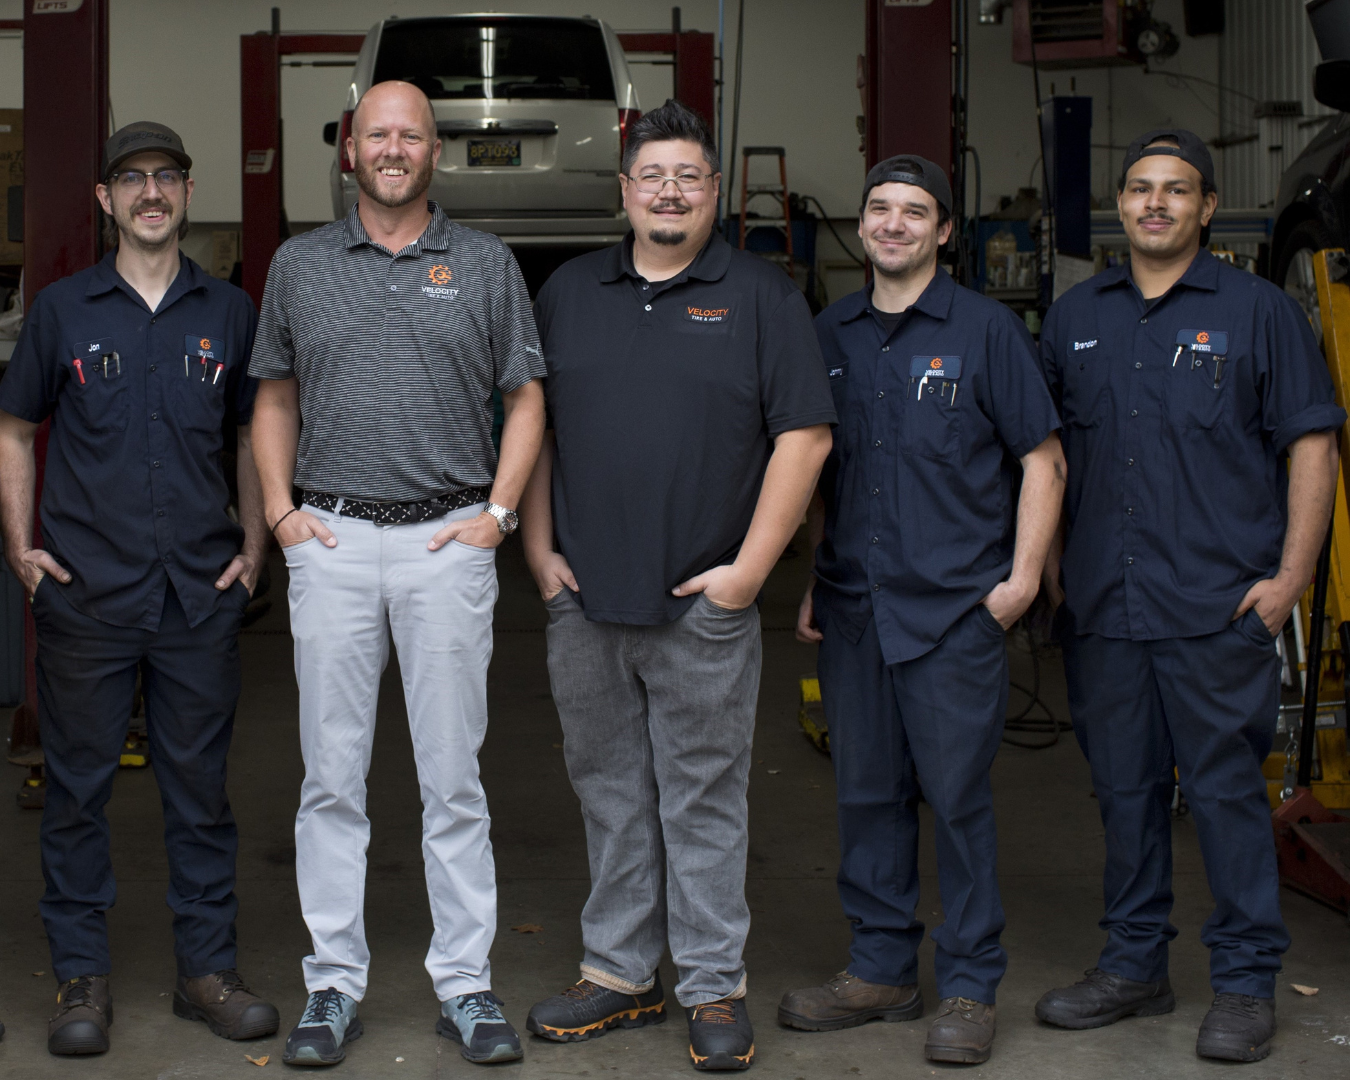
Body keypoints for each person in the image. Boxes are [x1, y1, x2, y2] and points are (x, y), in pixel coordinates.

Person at [519, 99, 835, 1072]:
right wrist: (539, 555)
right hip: (586, 602)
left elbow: (806, 435)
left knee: (702, 799)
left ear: (713, 195)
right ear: (623, 191)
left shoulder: (761, 297)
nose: (668, 191)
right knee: (610, 792)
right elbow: (535, 428)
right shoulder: (568, 293)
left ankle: (709, 984)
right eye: (651, 176)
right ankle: (618, 973)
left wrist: (747, 575)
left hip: (703, 611)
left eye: (688, 178)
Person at [248, 81, 546, 1068]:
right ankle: (332, 985)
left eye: (411, 134)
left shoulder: (487, 263)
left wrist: (498, 518)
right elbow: (274, 398)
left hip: (445, 546)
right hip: (329, 545)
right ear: (348, 148)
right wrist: (283, 514)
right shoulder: (298, 266)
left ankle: (466, 985)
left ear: (435, 152)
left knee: (453, 782)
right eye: (376, 133)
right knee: (331, 780)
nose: (392, 148)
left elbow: (527, 399)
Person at [1036, 129, 1344, 1064]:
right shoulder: (1075, 316)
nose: (1156, 203)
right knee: (1124, 794)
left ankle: (1247, 981)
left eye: (1177, 190)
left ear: (1208, 207)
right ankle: (1134, 964)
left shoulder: (1259, 313)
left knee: (1223, 797)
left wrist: (1290, 577)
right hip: (1105, 609)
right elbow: (1043, 459)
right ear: (1119, 206)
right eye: (1139, 189)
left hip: (1217, 606)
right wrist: (1050, 575)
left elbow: (1313, 446)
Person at [778, 155, 1065, 1066]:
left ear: (945, 231)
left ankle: (972, 982)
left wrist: (1018, 586)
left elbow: (1044, 462)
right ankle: (881, 969)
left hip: (952, 616)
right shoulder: (828, 333)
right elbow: (822, 468)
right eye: (878, 209)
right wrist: (820, 575)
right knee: (866, 796)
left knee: (958, 801)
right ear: (860, 228)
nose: (892, 224)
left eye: (914, 212)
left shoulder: (986, 333)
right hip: (858, 609)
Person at [0, 122, 277, 1055]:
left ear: (189, 193)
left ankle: (207, 971)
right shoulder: (62, 311)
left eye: (166, 177)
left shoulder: (231, 311)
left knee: (199, 793)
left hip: (198, 597)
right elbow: (13, 429)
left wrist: (253, 541)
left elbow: (250, 433)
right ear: (105, 199)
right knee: (77, 794)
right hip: (86, 597)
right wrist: (21, 549)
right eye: (131, 179)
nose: (150, 192)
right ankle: (82, 982)